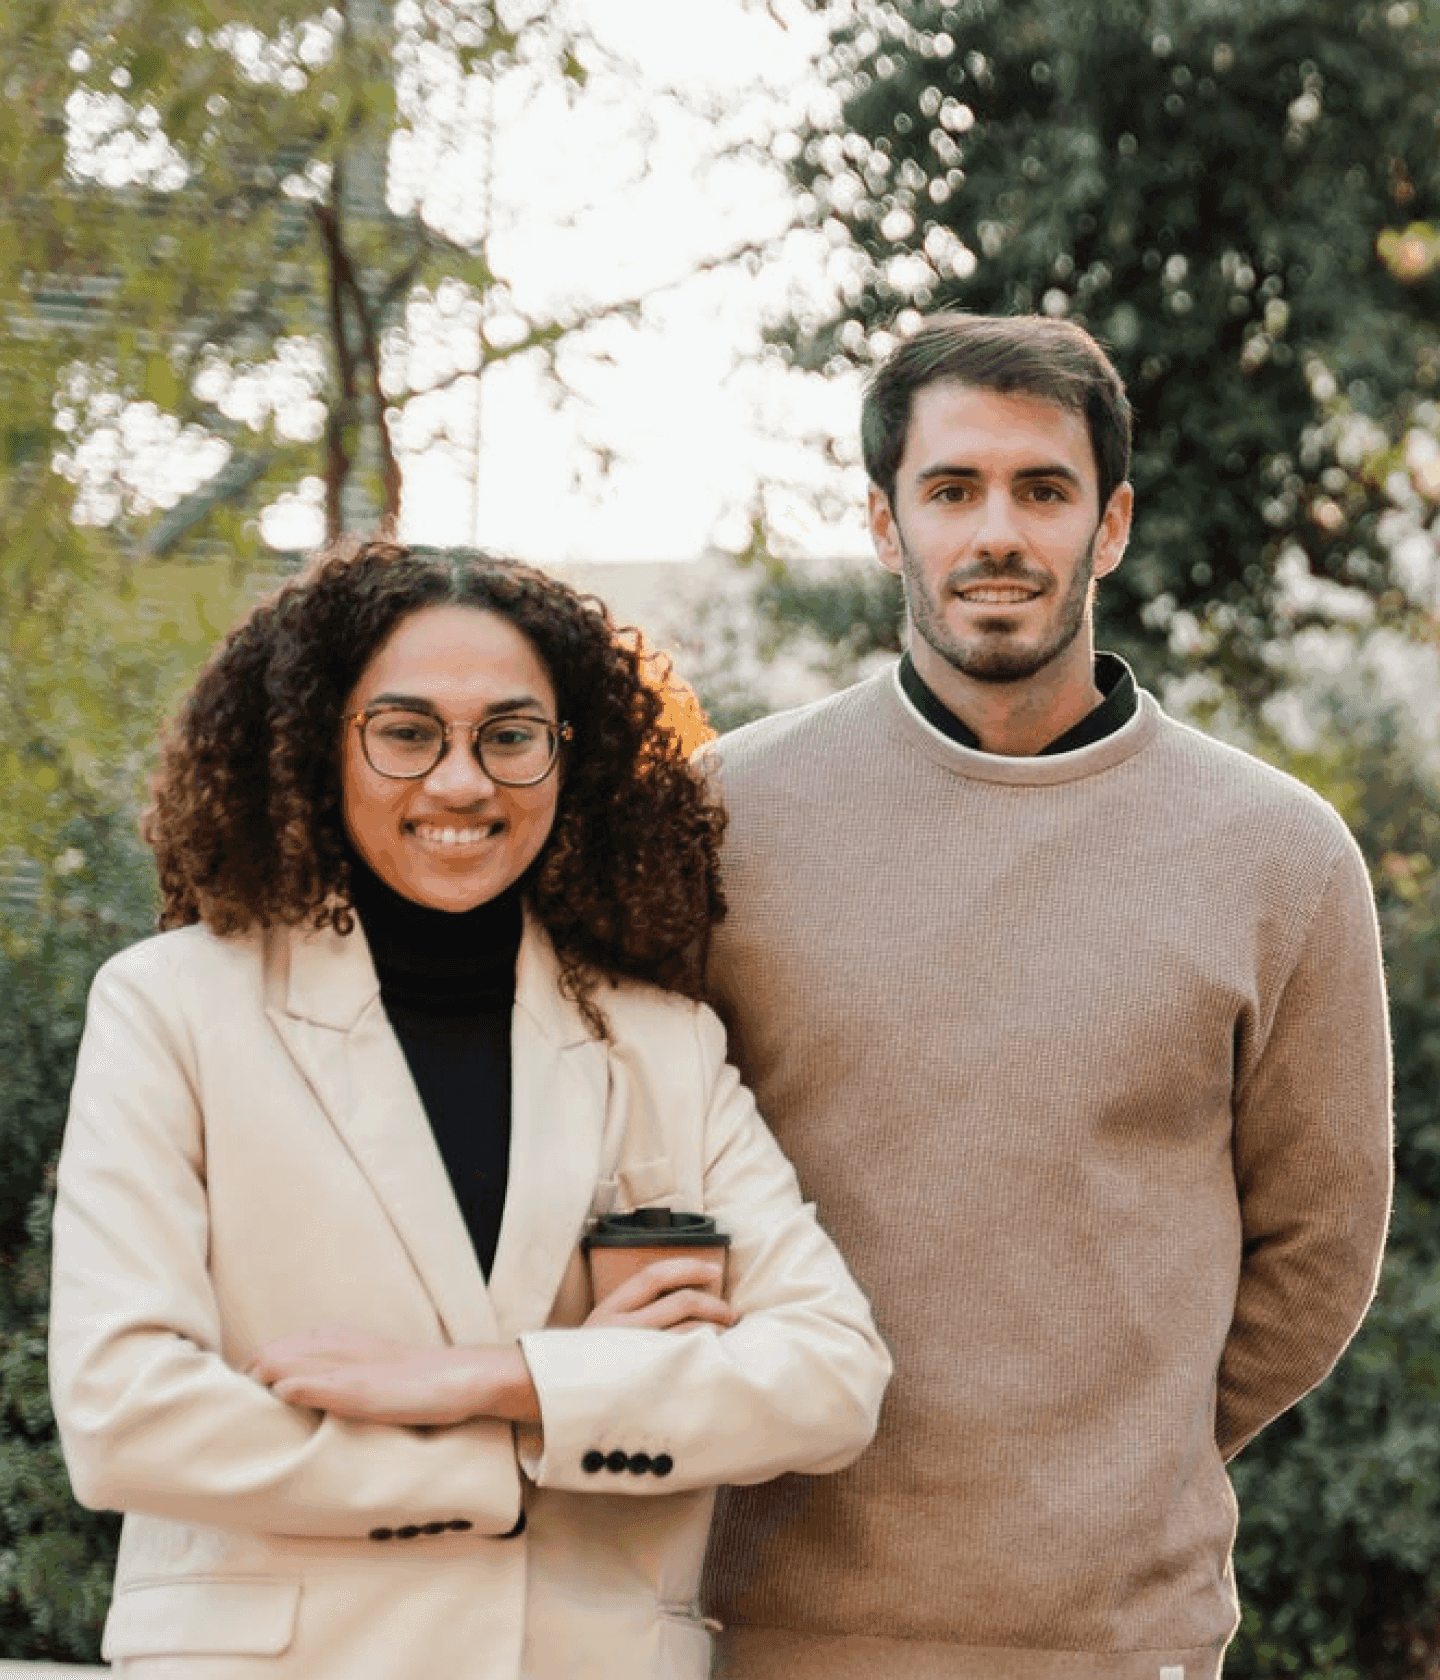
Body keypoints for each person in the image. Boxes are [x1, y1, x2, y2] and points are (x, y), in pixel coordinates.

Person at [47, 539, 891, 1680]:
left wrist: (498, 1379)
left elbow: (831, 1378)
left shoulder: (665, 1045)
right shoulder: (171, 1007)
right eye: (406, 734)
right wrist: (515, 1452)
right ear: (319, 745)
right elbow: (125, 1415)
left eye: (510, 735)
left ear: (570, 757)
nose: (462, 782)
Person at [699, 313, 1392, 1680]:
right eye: (952, 490)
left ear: (1110, 524)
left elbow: (1319, 1246)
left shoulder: (1280, 857)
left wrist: (1131, 1457)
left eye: (1044, 490)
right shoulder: (725, 816)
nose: (998, 533)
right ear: (886, 524)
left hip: (1115, 1638)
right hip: (769, 1625)